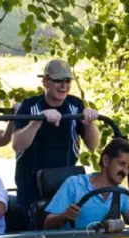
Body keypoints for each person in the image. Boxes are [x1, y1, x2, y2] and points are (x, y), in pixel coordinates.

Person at [12, 59, 100, 220]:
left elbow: (93, 146)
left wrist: (90, 123)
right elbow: (17, 144)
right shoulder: (29, 105)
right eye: (58, 80)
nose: (63, 86)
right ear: (45, 82)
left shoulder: (75, 105)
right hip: (32, 189)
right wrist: (37, 120)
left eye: (67, 81)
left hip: (66, 186)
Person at [44, 138, 129, 230]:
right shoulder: (74, 184)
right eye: (122, 164)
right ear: (106, 161)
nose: (125, 171)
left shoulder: (122, 193)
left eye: (128, 167)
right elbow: (47, 223)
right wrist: (65, 216)